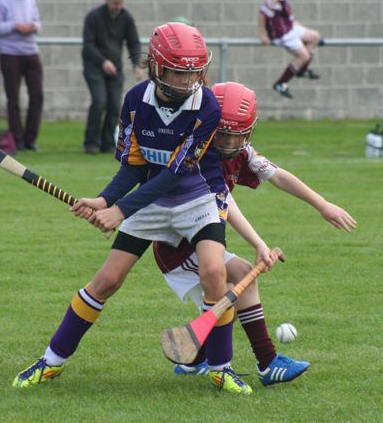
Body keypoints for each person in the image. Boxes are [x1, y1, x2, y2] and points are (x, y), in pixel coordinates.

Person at [13, 23, 276, 395]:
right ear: (156, 66)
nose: (188, 82)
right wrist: (105, 200)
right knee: (107, 281)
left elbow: (175, 172)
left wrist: (119, 211)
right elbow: (134, 166)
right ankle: (51, 361)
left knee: (214, 272)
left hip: (199, 198)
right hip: (150, 201)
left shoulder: (208, 108)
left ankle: (221, 367)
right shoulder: (136, 101)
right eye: (179, 73)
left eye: (195, 73)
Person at [153, 81, 358, 387]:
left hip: (200, 242)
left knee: (230, 298)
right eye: (222, 134)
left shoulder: (241, 151)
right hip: (178, 246)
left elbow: (279, 176)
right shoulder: (198, 154)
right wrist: (259, 243)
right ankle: (264, 363)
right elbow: (226, 203)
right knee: (229, 294)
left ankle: (198, 359)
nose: (227, 143)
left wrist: (322, 204)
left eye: (235, 136)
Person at [81, 0, 144, 154]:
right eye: (115, 3)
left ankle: (108, 144)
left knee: (115, 106)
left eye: (120, 3)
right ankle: (91, 143)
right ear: (107, 0)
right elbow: (88, 45)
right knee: (99, 102)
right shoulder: (93, 17)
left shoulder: (126, 18)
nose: (118, 6)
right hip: (94, 67)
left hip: (115, 69)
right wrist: (103, 61)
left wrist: (137, 65)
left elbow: (133, 42)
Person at [0, 0, 43, 152]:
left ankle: (30, 140)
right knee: (13, 99)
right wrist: (15, 26)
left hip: (31, 51)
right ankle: (16, 139)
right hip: (10, 53)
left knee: (37, 96)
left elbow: (39, 23)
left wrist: (34, 27)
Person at [258, 0, 323, 99]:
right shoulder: (269, 4)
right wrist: (263, 35)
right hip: (282, 35)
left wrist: (304, 31)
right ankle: (281, 83)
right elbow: (262, 18)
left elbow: (292, 20)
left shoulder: (284, 1)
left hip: (290, 29)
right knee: (304, 56)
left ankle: (302, 69)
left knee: (315, 37)